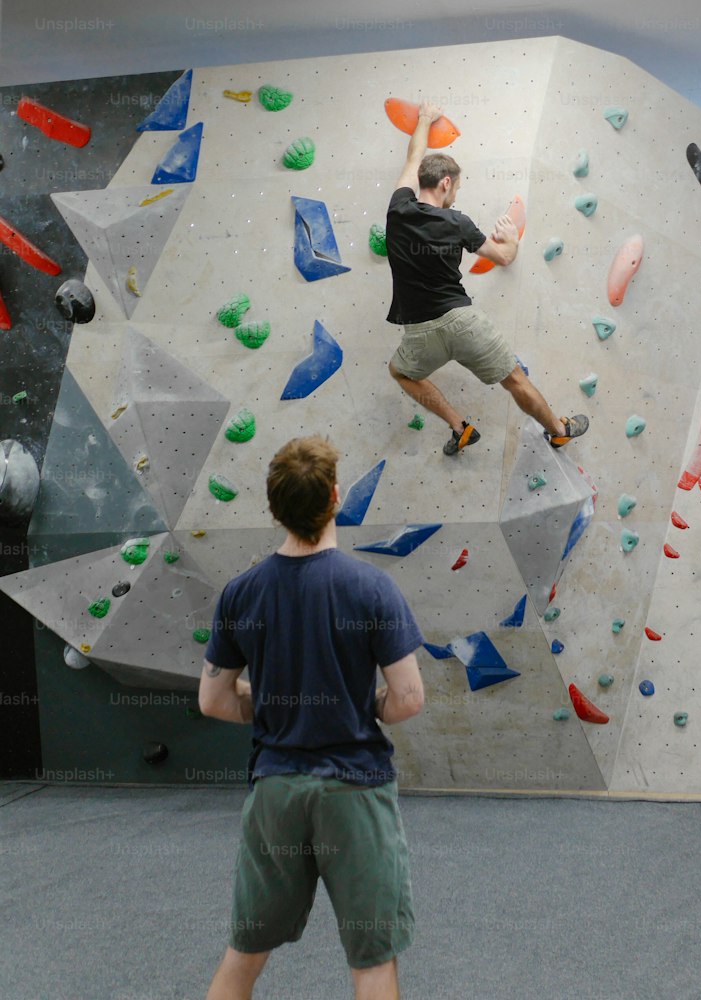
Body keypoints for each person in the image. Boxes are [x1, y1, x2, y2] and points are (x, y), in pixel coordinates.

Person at [198, 435, 425, 1000]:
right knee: (372, 963)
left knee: (244, 955)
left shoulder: (241, 593)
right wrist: (365, 705)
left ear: (274, 507)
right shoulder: (372, 587)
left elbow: (215, 700)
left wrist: (276, 699)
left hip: (275, 793)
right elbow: (408, 698)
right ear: (335, 496)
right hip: (354, 790)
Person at [385, 99, 589, 456]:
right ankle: (559, 430)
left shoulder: (398, 209)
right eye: (457, 187)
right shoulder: (458, 223)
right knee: (514, 380)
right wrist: (510, 238)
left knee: (400, 372)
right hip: (464, 322)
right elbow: (505, 258)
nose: (456, 195)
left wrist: (424, 119)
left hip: (419, 331)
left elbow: (413, 157)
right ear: (446, 183)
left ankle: (459, 427)